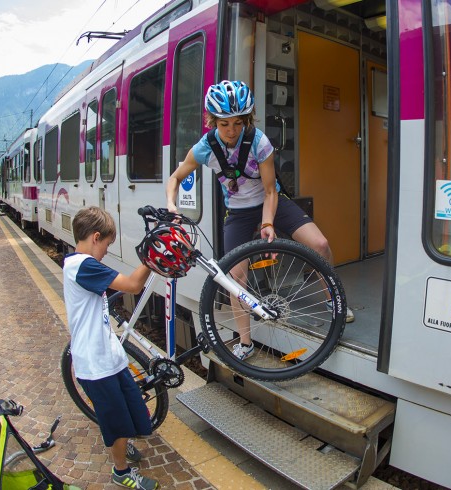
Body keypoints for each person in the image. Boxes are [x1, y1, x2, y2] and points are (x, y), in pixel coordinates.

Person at [165, 80, 354, 361]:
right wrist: (171, 204)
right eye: (224, 124)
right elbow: (176, 177)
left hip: (272, 203)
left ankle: (332, 300)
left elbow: (269, 190)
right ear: (213, 121)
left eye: (238, 123)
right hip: (239, 213)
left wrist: (268, 224)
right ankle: (245, 342)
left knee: (320, 244)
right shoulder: (205, 147)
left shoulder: (259, 142)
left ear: (247, 120)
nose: (232, 131)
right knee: (234, 278)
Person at [62, 206, 158, 490]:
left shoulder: (78, 265)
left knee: (129, 408)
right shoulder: (83, 265)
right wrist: (154, 253)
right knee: (115, 420)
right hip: (95, 365)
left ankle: (122, 445)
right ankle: (120, 472)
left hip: (110, 357)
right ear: (95, 237)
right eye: (106, 244)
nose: (105, 251)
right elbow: (132, 285)